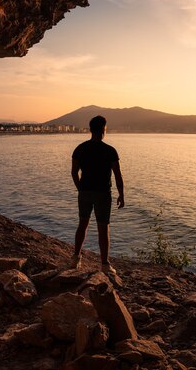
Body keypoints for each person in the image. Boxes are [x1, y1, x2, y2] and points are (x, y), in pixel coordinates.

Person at [71, 115, 124, 274]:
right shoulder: (110, 151)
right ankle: (105, 265)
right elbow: (117, 175)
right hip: (103, 194)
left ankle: (75, 259)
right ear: (103, 129)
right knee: (103, 228)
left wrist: (80, 189)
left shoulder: (80, 148)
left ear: (90, 129)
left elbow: (74, 173)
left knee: (83, 224)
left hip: (85, 192)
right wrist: (121, 195)